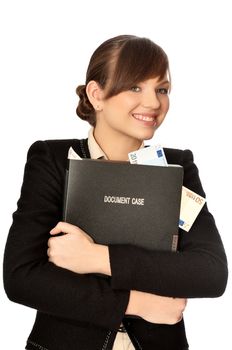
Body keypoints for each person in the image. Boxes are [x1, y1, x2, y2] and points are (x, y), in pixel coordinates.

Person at [3, 34, 228, 350]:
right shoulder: (54, 160)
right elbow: (22, 277)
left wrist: (97, 257)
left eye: (161, 89)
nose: (153, 102)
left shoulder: (177, 167)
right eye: (135, 86)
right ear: (97, 94)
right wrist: (137, 303)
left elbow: (210, 272)